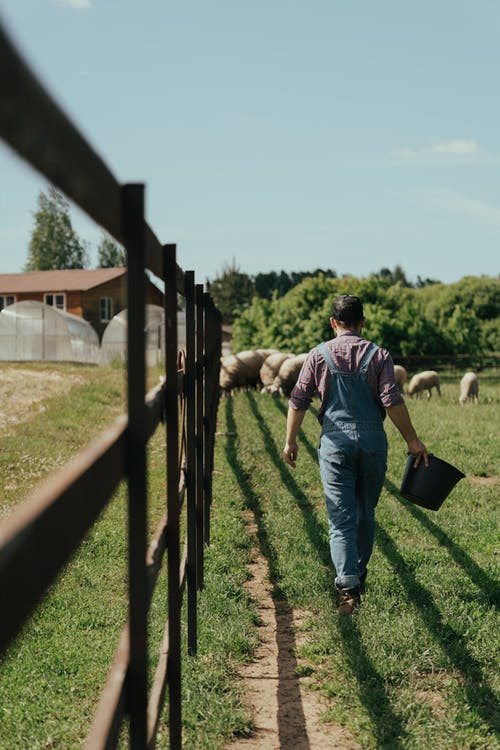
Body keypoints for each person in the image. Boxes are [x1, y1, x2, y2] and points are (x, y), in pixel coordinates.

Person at [283, 294, 428, 615]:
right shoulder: (379, 355)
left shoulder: (318, 355)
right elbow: (391, 401)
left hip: (335, 444)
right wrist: (413, 441)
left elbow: (298, 399)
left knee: (340, 518)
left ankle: (349, 587)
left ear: (333, 323)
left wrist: (290, 441)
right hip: (373, 442)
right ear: (362, 321)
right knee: (365, 512)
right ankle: (358, 574)